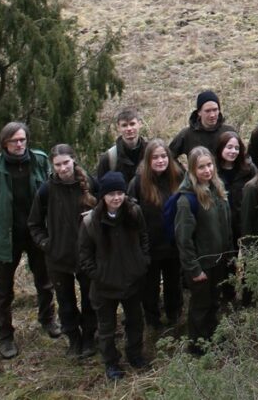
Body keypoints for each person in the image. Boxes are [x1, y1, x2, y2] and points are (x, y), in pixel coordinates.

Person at [0, 121, 58, 359]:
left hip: (37, 232)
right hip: (5, 237)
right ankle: (5, 337)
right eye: (14, 141)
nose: (19, 144)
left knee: (44, 280)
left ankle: (48, 320)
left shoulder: (40, 161)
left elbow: (52, 191)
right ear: (4, 143)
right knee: (3, 290)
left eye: (22, 139)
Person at [28, 144, 99, 358]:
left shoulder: (90, 183)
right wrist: (46, 244)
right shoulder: (46, 189)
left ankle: (89, 337)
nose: (63, 168)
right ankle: (73, 340)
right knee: (66, 302)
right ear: (52, 166)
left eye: (66, 162)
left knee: (90, 299)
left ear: (74, 160)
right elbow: (34, 223)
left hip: (87, 255)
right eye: (57, 164)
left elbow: (104, 212)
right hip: (58, 258)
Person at [78, 171, 150, 380]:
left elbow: (144, 237)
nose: (116, 198)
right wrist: (99, 275)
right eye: (111, 194)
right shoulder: (90, 222)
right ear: (103, 197)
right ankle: (111, 363)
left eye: (120, 193)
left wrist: (143, 262)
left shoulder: (134, 212)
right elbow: (85, 255)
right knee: (107, 327)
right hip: (104, 286)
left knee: (135, 321)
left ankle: (135, 354)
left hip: (133, 281)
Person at [175, 147, 234, 354]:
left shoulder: (218, 189)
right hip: (201, 265)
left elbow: (225, 227)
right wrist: (194, 268)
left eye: (209, 165)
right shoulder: (187, 199)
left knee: (214, 303)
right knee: (200, 307)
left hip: (219, 261)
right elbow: (183, 239)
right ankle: (197, 348)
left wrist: (229, 256)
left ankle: (212, 339)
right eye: (201, 167)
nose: (207, 170)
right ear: (192, 170)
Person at [126, 139, 183, 329]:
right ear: (148, 160)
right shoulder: (138, 182)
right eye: (155, 157)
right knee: (149, 286)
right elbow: (129, 213)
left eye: (164, 156)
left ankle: (174, 313)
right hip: (149, 245)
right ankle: (152, 319)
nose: (160, 161)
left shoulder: (178, 176)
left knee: (173, 283)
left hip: (173, 243)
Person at [169, 90, 238, 162]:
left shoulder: (228, 131)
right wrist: (181, 172)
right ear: (199, 112)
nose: (212, 115)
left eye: (215, 110)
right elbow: (169, 157)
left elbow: (243, 158)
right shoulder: (187, 134)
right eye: (207, 111)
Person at [95, 107, 147, 186]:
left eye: (132, 124)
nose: (129, 128)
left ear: (140, 124)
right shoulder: (109, 158)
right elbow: (101, 190)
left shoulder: (151, 154)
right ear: (118, 127)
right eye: (124, 125)